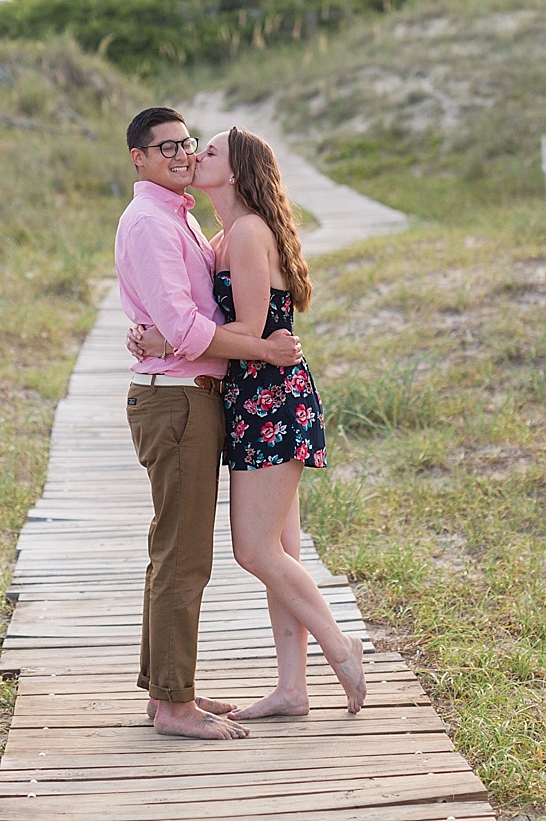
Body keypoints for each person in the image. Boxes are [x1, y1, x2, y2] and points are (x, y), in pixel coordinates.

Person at [131, 126, 367, 717]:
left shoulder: (246, 233)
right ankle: (293, 690)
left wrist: (169, 340)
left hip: (270, 398)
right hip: (252, 397)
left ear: (233, 172)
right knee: (280, 547)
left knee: (255, 550)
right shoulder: (222, 235)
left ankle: (342, 647)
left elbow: (253, 333)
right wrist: (163, 333)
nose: (192, 156)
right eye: (187, 147)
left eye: (206, 150)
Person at [114, 107, 304, 740]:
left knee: (176, 550)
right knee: (183, 554)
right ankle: (174, 707)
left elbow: (179, 319)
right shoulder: (150, 222)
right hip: (177, 400)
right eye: (164, 147)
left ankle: (169, 690)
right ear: (137, 158)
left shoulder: (185, 221)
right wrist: (267, 350)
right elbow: (190, 328)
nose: (181, 154)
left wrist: (154, 334)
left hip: (188, 395)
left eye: (186, 143)